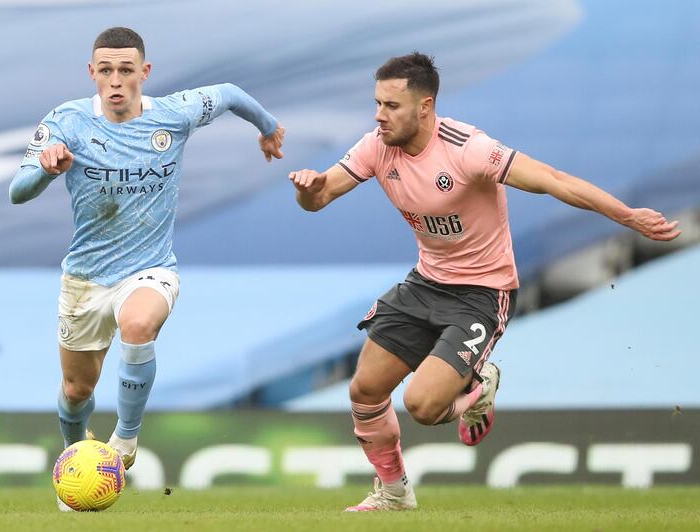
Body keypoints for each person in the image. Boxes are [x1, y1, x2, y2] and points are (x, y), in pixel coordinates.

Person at [288, 52, 680, 512]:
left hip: (481, 292)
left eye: (391, 106)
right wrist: (307, 191)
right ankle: (394, 494)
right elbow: (320, 198)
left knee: (423, 406)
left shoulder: (468, 149)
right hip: (425, 282)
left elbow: (553, 179)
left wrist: (626, 215)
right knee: (365, 391)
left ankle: (476, 389)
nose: (379, 115)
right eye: (377, 103)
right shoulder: (377, 146)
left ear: (426, 106)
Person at [9, 27, 284, 510]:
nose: (116, 81)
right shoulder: (65, 121)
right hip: (86, 278)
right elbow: (17, 190)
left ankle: (124, 442)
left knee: (138, 323)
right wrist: (44, 170)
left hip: (151, 268)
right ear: (91, 73)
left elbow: (230, 94)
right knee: (76, 392)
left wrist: (268, 127)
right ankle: (77, 465)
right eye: (106, 70)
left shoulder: (173, 115)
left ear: (145, 72)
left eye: (126, 70)